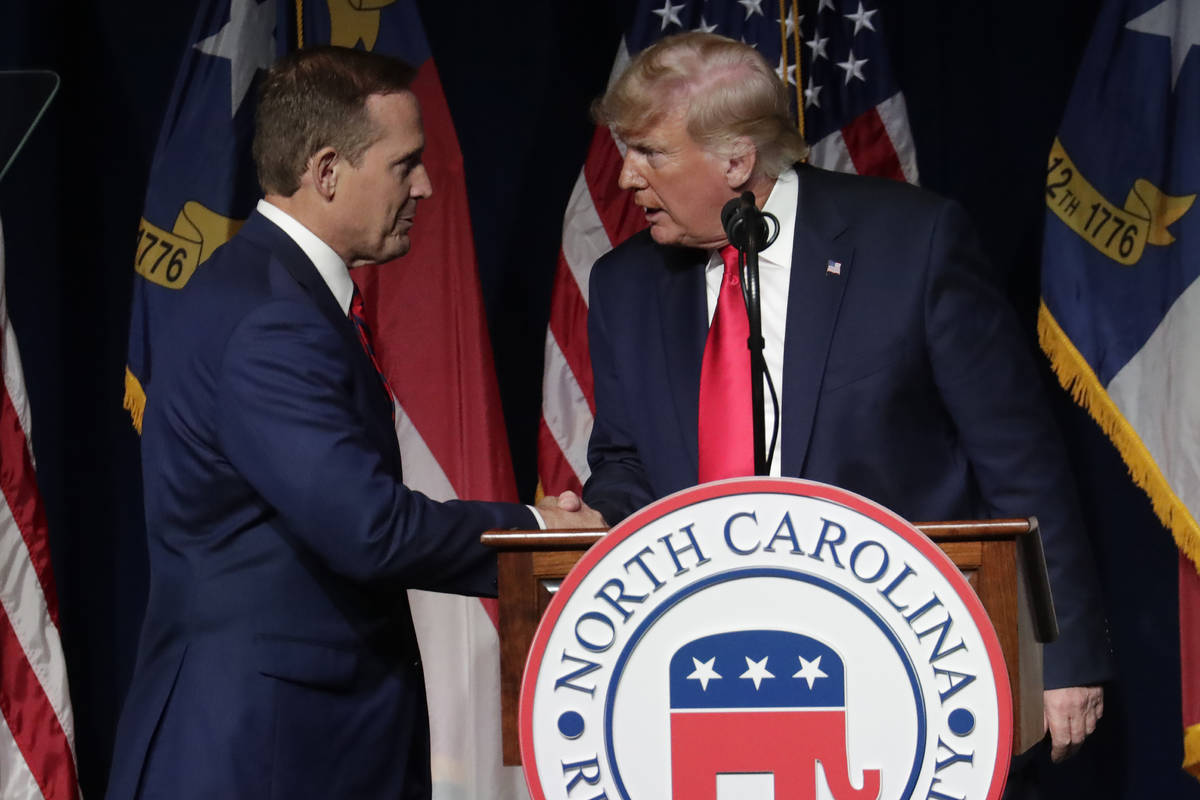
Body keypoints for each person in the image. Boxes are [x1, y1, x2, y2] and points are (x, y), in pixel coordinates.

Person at [581, 32, 1109, 773]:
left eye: (649, 153)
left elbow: (1019, 458)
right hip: (706, 666)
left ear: (735, 161)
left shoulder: (912, 242)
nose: (625, 177)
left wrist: (1063, 654)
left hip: (913, 659)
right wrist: (603, 510)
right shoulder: (624, 283)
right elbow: (624, 457)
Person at [106, 46, 601, 800]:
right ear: (328, 171)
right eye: (406, 164)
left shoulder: (268, 290)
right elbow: (368, 528)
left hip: (300, 736)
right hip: (268, 751)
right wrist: (539, 532)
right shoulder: (272, 318)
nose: (427, 187)